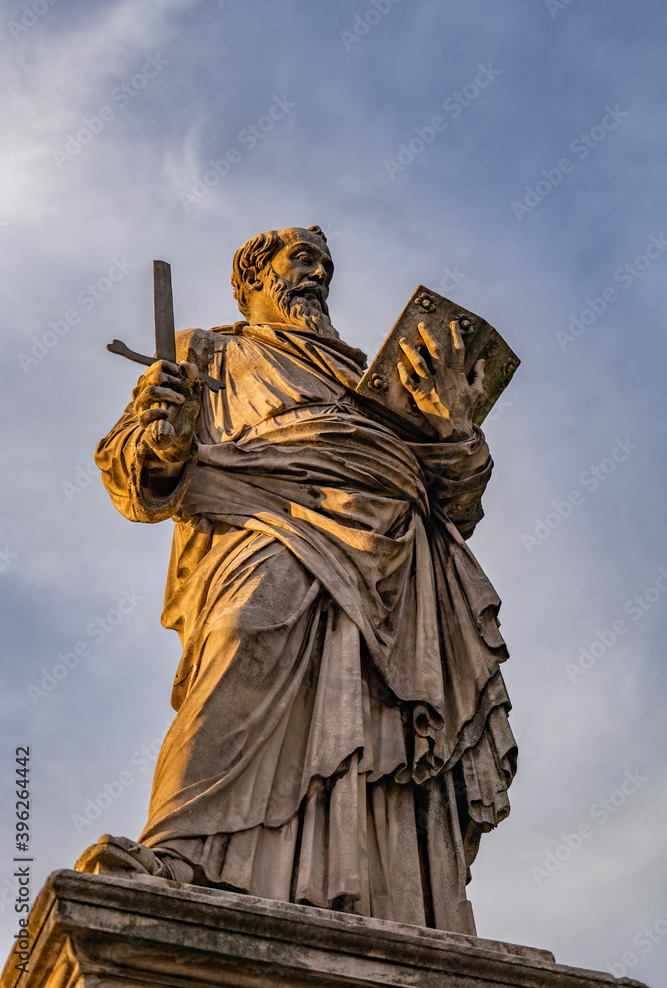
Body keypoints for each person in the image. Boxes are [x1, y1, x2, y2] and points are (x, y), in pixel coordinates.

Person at [75, 225, 516, 934]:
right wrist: (162, 434)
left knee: (383, 708)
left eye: (325, 264)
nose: (316, 274)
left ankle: (398, 895)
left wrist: (453, 426)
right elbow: (136, 471)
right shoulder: (211, 350)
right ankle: (182, 849)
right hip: (268, 511)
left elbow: (458, 500)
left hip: (401, 549)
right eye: (300, 259)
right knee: (240, 636)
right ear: (251, 276)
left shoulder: (375, 379)